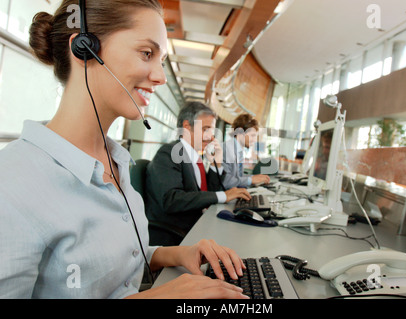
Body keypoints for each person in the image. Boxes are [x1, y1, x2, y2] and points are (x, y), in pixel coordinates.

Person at [0, 0, 248, 299]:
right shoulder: (12, 184)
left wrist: (177, 254)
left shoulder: (116, 162)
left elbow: (118, 259)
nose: (160, 76)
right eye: (147, 53)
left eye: (161, 59)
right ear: (83, 49)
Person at [145, 102, 252, 246]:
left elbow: (209, 192)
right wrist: (224, 196)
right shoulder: (170, 152)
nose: (210, 137)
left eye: (212, 132)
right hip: (174, 236)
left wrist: (217, 163)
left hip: (196, 226)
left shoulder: (195, 156)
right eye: (205, 129)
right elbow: (171, 200)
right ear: (187, 127)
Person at [222, 114, 271, 189]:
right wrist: (250, 180)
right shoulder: (226, 149)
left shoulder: (239, 150)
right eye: (252, 135)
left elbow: (238, 177)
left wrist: (254, 177)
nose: (255, 140)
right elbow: (226, 181)